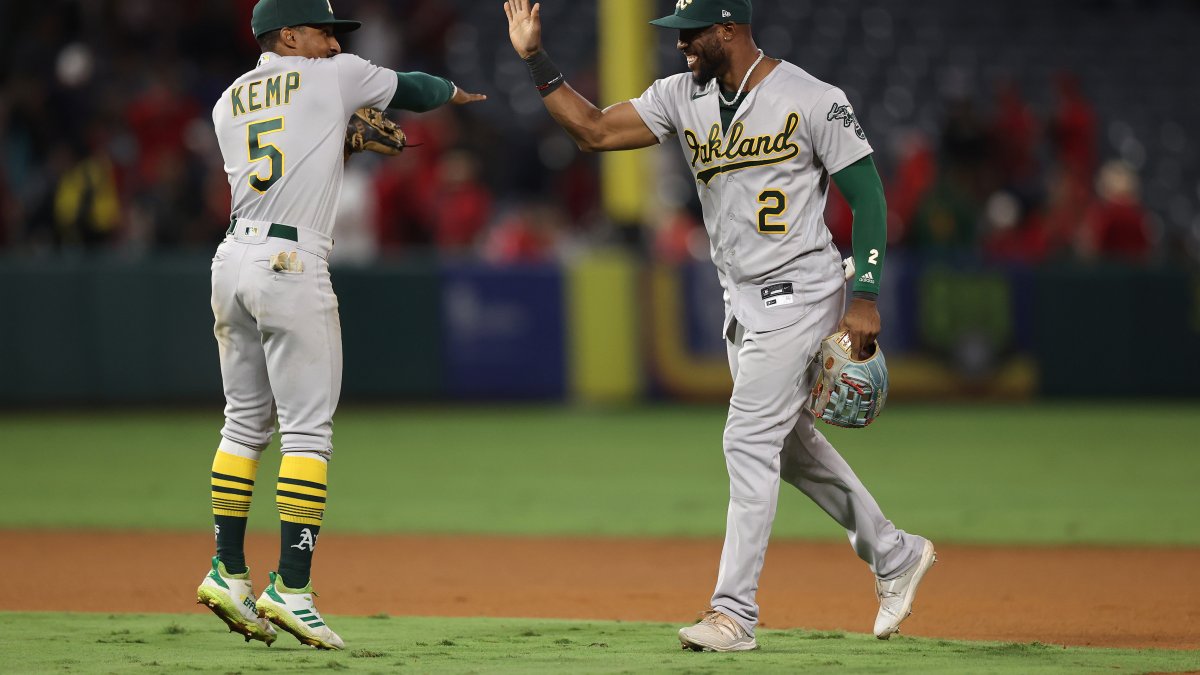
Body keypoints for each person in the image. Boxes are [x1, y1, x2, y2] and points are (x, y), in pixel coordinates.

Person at [503, 0, 935, 652]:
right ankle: (895, 553)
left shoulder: (813, 98)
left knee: (746, 440)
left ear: (730, 28)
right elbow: (592, 130)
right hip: (742, 304)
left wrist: (867, 293)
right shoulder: (682, 95)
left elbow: (869, 194)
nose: (680, 45)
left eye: (692, 32)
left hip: (805, 292)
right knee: (788, 447)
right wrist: (536, 59)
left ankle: (732, 614)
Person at [196, 0, 484, 650]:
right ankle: (291, 587)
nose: (332, 42)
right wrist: (455, 91)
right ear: (288, 34)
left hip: (231, 261)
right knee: (307, 432)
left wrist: (342, 139)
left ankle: (228, 569)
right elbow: (412, 89)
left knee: (243, 422)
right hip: (291, 262)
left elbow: (282, 165)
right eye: (323, 31)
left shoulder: (226, 101)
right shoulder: (333, 76)